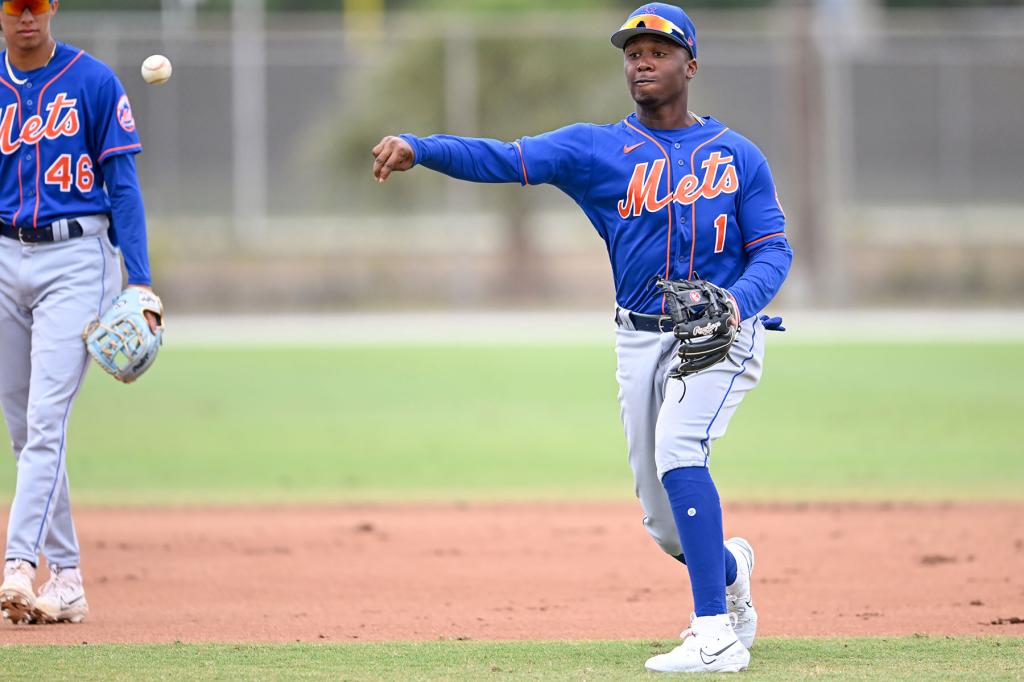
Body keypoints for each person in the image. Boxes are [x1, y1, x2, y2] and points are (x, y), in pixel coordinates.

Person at [372, 2, 792, 674]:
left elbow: (773, 251)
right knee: (661, 521)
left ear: (691, 64)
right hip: (638, 338)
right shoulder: (597, 149)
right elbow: (502, 159)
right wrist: (422, 147)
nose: (642, 60)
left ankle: (712, 633)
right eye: (632, 51)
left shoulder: (738, 156)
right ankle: (731, 572)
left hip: (719, 338)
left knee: (681, 450)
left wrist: (735, 306)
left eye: (657, 49)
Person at [0, 0, 159, 625]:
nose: (27, 17)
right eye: (16, 6)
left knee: (44, 420)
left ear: (53, 7)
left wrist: (140, 284)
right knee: (23, 428)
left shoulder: (92, 81)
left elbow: (124, 187)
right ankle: (66, 580)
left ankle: (18, 564)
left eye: (37, 5)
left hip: (78, 258)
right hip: (6, 254)